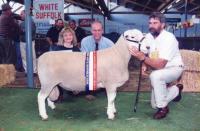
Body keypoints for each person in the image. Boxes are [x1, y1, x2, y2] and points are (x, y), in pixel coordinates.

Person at [129, 12, 184, 120]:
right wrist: (144, 64)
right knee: (154, 104)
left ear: (163, 25)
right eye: (150, 23)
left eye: (155, 23)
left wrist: (143, 58)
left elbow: (160, 64)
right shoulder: (148, 37)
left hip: (174, 68)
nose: (151, 25)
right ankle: (176, 90)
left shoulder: (169, 38)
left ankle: (163, 108)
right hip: (160, 71)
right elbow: (145, 51)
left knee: (155, 76)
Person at [81, 20, 114, 100]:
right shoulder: (84, 41)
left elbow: (113, 59)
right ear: (91, 31)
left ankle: (107, 88)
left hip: (104, 68)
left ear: (102, 31)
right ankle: (89, 91)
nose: (97, 32)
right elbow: (84, 58)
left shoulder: (109, 43)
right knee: (88, 67)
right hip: (90, 66)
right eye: (94, 30)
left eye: (99, 30)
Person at [53, 27, 80, 102]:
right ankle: (60, 93)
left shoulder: (76, 49)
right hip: (60, 73)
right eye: (66, 35)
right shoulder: (58, 48)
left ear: (73, 36)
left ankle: (75, 89)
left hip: (74, 72)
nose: (68, 37)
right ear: (62, 37)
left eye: (70, 35)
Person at [19, 10, 37, 75]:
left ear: (25, 14)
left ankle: (34, 71)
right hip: (22, 42)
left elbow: (31, 31)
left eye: (21, 14)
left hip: (30, 42)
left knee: (32, 56)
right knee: (24, 57)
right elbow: (19, 32)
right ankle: (27, 71)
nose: (20, 15)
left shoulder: (31, 22)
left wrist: (23, 31)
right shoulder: (21, 23)